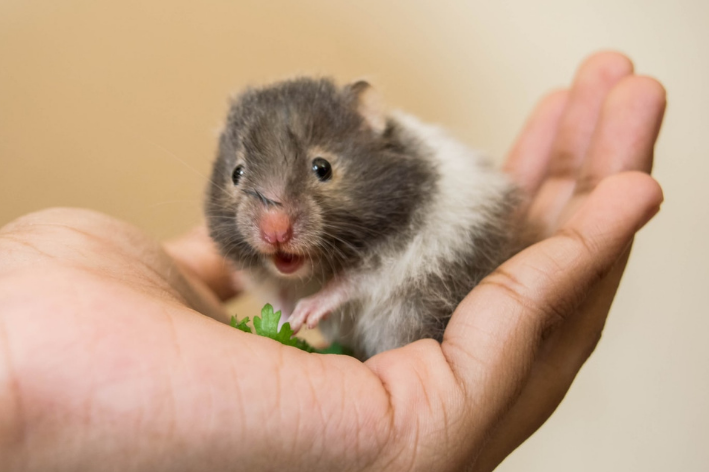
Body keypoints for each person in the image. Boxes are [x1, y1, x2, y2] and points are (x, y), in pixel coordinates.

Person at [0, 51, 665, 471]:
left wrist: (346, 289)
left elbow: (396, 251)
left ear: (367, 134)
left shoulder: (412, 184)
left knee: (399, 311)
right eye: (240, 177)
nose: (275, 223)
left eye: (319, 171)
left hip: (413, 277)